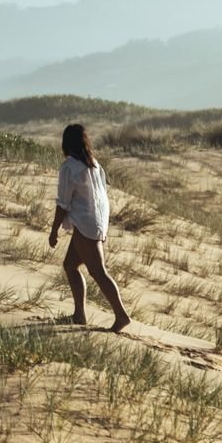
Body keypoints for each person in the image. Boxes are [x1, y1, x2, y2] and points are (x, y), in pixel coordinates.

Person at [48, 123, 132, 332]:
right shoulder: (94, 165)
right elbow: (102, 197)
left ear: (66, 144)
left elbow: (63, 203)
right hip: (95, 223)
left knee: (98, 272)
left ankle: (121, 316)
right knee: (70, 266)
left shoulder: (70, 168)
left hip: (86, 225)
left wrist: (53, 230)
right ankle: (79, 314)